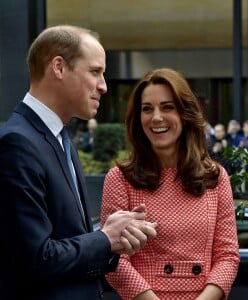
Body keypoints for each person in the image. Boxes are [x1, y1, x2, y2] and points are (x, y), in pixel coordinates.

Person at [0, 25, 157, 300]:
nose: (104, 86)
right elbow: (36, 259)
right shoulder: (17, 144)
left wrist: (112, 240)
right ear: (58, 67)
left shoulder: (61, 139)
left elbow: (66, 243)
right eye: (95, 72)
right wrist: (106, 238)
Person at [100, 68, 240, 300]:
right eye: (147, 109)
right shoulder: (120, 179)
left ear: (185, 114)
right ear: (138, 119)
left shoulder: (215, 177)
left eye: (167, 107)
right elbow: (114, 260)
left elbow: (228, 256)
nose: (156, 117)